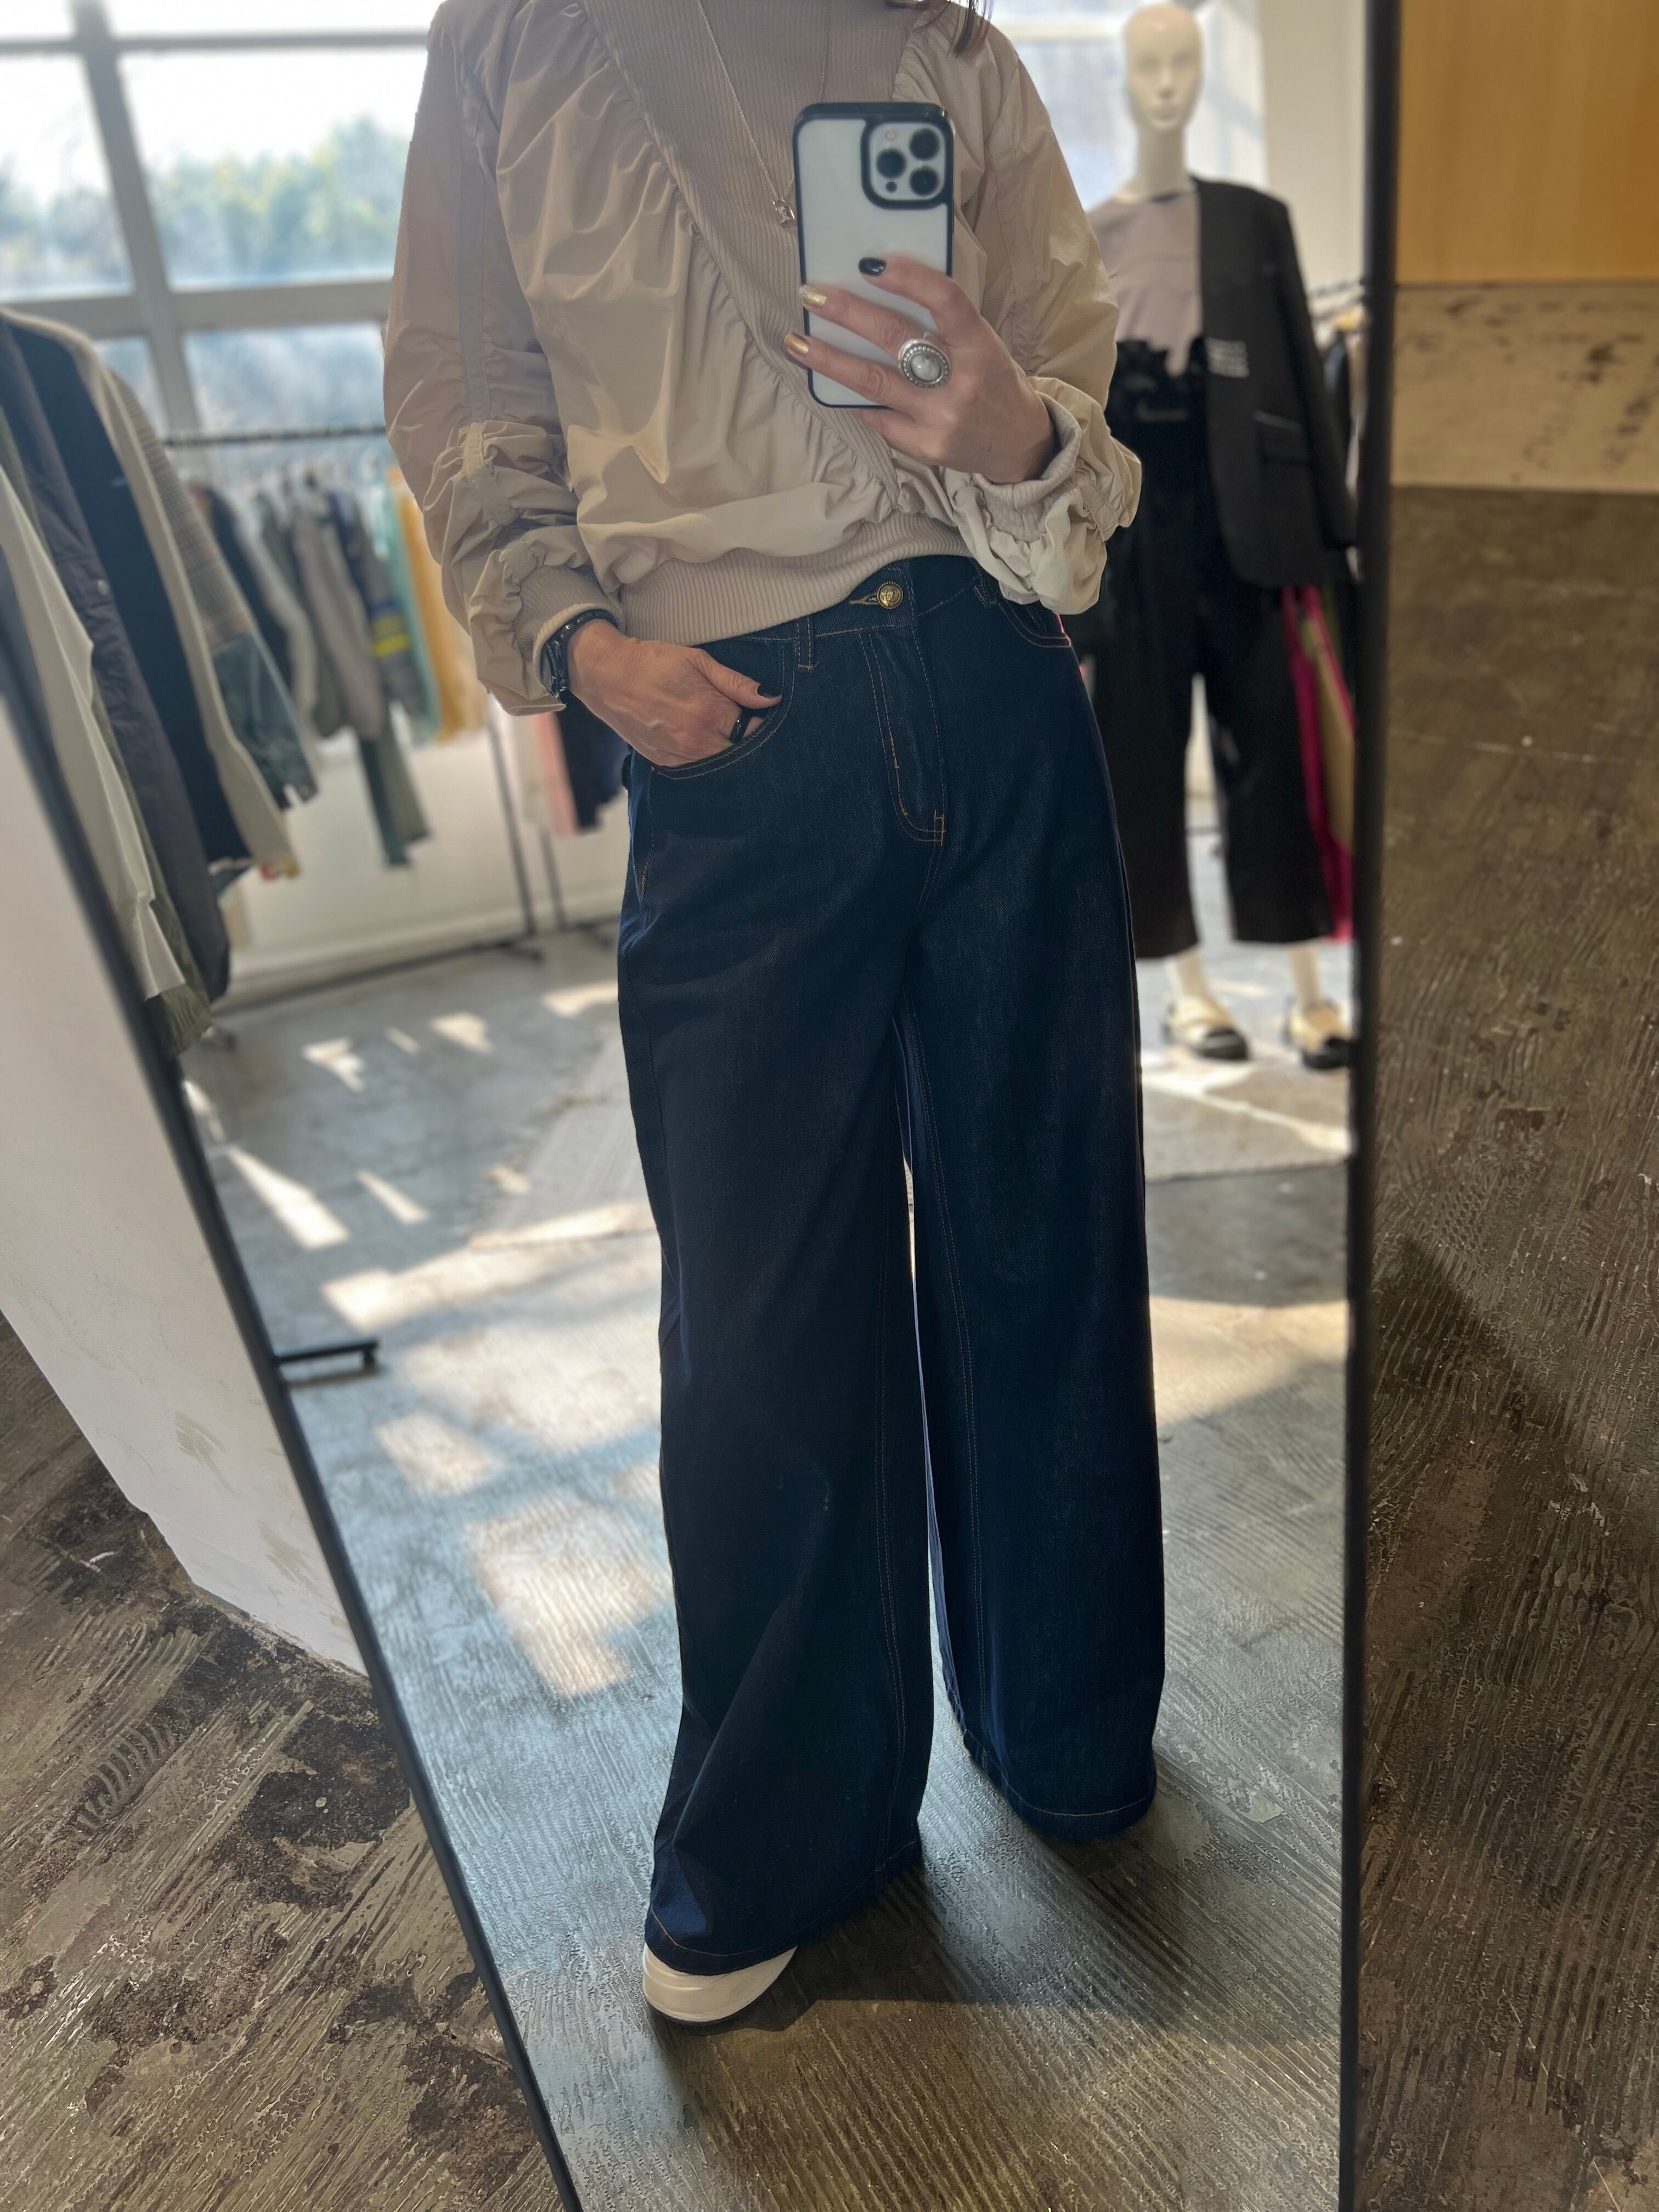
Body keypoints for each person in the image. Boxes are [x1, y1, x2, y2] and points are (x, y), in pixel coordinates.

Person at [386, 0, 1164, 2025]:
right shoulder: (520, 35)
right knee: (758, 1309)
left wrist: (1012, 433)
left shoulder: (943, 37)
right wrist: (579, 645)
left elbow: (1079, 409)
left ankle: (1070, 1729)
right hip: (730, 720)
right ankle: (794, 1830)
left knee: (1048, 1253)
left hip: (997, 681)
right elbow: (463, 389)